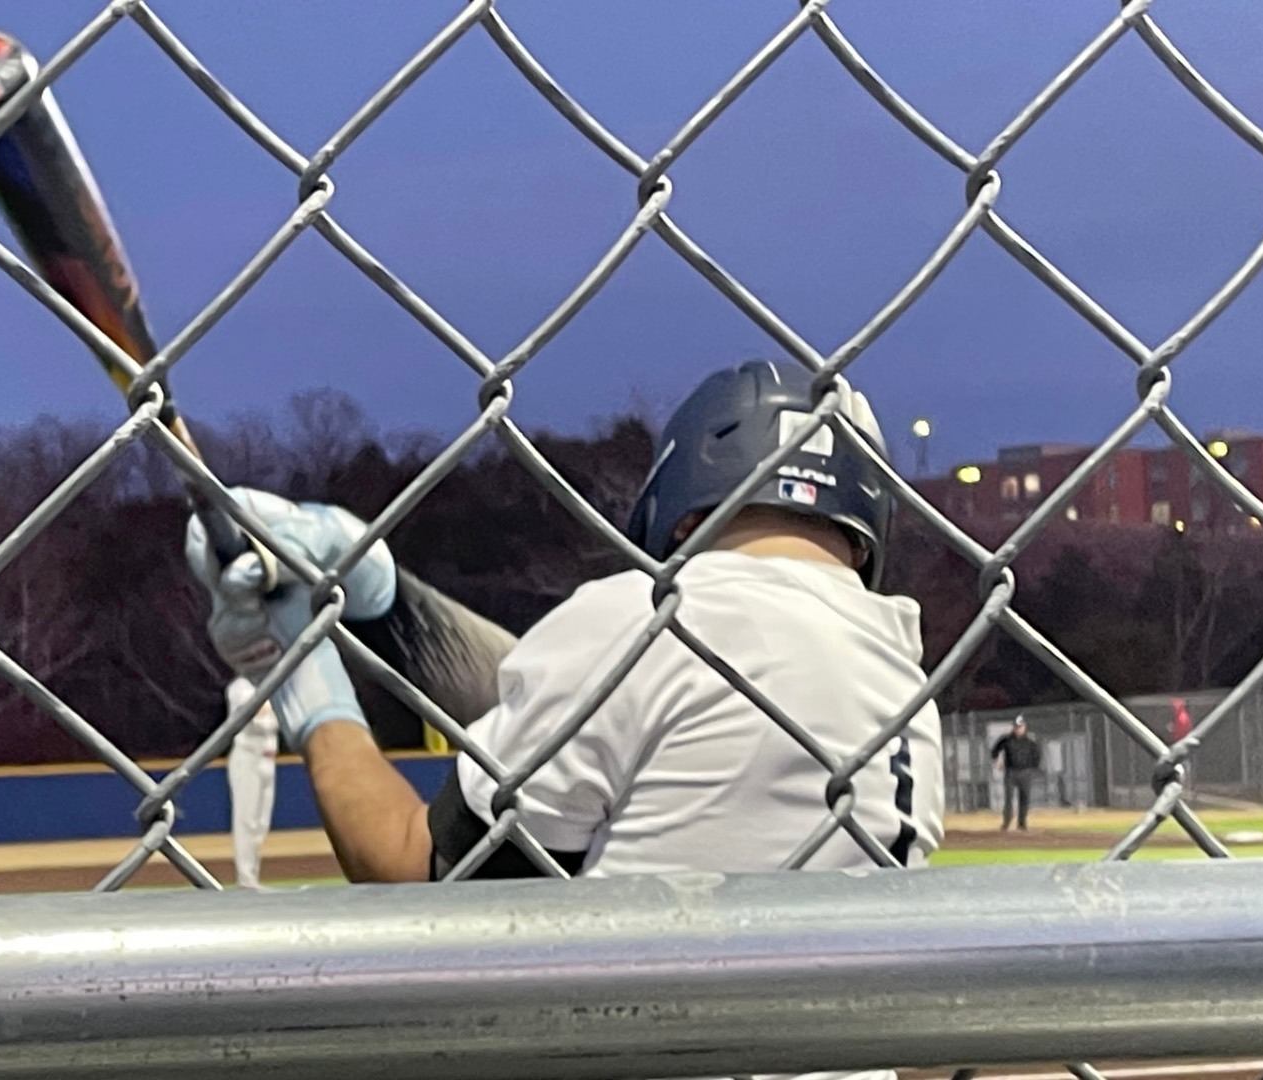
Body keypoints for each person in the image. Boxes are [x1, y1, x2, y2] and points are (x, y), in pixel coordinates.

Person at [188, 360, 941, 1080]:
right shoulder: (905, 687)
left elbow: (411, 864)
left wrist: (302, 672)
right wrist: (385, 600)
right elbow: (565, 715)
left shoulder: (645, 622)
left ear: (680, 498)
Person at [224, 675, 279, 890]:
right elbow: (258, 721)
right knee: (246, 820)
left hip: (269, 758)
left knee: (261, 822)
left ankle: (253, 874)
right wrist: (272, 716)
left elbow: (275, 720)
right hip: (247, 757)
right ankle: (245, 878)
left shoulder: (274, 684)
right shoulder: (240, 687)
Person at [991, 716, 1040, 831]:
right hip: (1011, 772)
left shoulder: (1030, 742)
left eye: (1021, 727)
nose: (1019, 729)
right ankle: (1006, 822)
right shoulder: (1006, 740)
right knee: (1009, 799)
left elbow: (1037, 755)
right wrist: (997, 759)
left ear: (1025, 727)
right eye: (1017, 727)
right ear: (1013, 727)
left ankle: (1022, 824)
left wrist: (1033, 768)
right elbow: (995, 750)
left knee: (1024, 799)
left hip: (1026, 773)